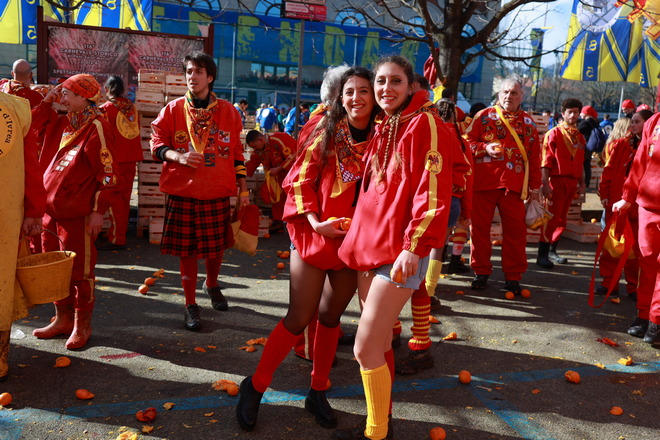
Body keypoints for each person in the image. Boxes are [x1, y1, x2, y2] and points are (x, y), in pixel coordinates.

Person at [235, 66, 378, 432]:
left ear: (375, 96)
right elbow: (299, 180)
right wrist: (316, 223)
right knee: (299, 317)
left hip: (353, 242)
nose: (356, 98)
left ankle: (317, 391)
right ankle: (255, 386)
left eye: (364, 90)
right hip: (314, 234)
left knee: (331, 319)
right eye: (349, 91)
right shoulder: (323, 129)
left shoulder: (384, 136)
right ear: (340, 96)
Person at [335, 55, 453, 440]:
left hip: (400, 252)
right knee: (380, 342)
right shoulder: (386, 124)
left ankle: (376, 432)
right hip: (370, 249)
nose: (386, 89)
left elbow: (432, 193)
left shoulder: (425, 123)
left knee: (364, 348)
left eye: (395, 81)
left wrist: (413, 247)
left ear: (411, 85)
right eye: (381, 82)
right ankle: (380, 424)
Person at [149, 51, 249, 331]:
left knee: (216, 248)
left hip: (217, 191)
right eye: (189, 71)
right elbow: (156, 143)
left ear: (210, 77)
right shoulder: (173, 109)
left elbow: (237, 152)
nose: (192, 77)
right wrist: (177, 156)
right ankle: (190, 304)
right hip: (183, 191)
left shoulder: (228, 112)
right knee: (188, 252)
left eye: (198, 72)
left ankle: (212, 284)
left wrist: (243, 188)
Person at [31, 74, 119, 350]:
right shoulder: (65, 121)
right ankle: (62, 318)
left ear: (84, 97)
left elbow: (108, 174)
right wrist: (47, 101)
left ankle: (82, 325)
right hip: (50, 212)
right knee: (55, 269)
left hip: (77, 215)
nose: (63, 97)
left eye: (68, 93)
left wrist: (98, 211)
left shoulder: (97, 126)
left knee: (80, 272)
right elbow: (31, 127)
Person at [395, 97, 471, 376]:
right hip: (439, 206)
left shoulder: (426, 130)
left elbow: (439, 183)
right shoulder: (454, 137)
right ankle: (408, 330)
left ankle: (412, 340)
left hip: (428, 209)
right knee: (414, 270)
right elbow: (467, 177)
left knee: (406, 275)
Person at [464, 74, 542, 294]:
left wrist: (535, 189)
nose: (509, 96)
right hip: (483, 184)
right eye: (505, 92)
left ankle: (513, 276)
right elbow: (466, 143)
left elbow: (534, 160)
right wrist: (484, 148)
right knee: (479, 231)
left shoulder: (529, 124)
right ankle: (481, 272)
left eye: (514, 93)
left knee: (516, 234)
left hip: (514, 187)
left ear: (521, 96)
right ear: (499, 94)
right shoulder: (483, 116)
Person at [0, 91, 45, 381]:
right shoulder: (16, 109)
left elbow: (31, 164)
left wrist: (34, 211)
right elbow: (32, 164)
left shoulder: (17, 109)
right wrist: (33, 211)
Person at [613, 110, 660, 345]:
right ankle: (643, 315)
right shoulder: (654, 122)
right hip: (648, 206)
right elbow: (640, 161)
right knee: (647, 263)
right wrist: (627, 197)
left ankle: (656, 321)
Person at [597, 110, 652, 302]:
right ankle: (608, 283)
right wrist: (604, 194)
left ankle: (633, 285)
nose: (632, 125)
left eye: (637, 122)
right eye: (632, 122)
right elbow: (608, 171)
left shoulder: (652, 148)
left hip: (640, 206)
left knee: (636, 249)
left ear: (648, 124)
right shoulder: (620, 145)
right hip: (616, 203)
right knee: (612, 244)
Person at [536, 98, 586, 269]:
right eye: (570, 112)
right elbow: (546, 161)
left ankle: (552, 250)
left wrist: (582, 183)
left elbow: (581, 163)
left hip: (571, 182)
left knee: (562, 219)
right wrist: (544, 183)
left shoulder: (579, 137)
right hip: (556, 181)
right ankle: (542, 254)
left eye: (576, 112)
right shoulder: (554, 133)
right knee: (550, 217)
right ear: (563, 113)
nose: (573, 115)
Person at [96, 75, 143, 251]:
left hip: (114, 161)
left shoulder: (106, 109)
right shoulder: (131, 108)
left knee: (112, 198)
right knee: (123, 199)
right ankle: (117, 235)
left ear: (107, 89)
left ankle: (116, 238)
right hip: (130, 160)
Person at [245, 129, 297, 231]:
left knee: (293, 198)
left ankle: (296, 224)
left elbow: (293, 156)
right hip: (277, 176)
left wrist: (279, 168)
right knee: (272, 195)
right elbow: (252, 164)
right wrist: (239, 174)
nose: (255, 149)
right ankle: (278, 222)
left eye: (255, 146)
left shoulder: (279, 139)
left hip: (292, 173)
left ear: (260, 140)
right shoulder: (259, 150)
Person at [578, 105, 602, 190]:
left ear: (586, 113)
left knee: (581, 165)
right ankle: (587, 183)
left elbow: (577, 131)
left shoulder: (584, 123)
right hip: (590, 147)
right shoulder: (595, 122)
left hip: (583, 147)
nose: (580, 114)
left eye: (581, 112)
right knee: (587, 165)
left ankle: (581, 184)